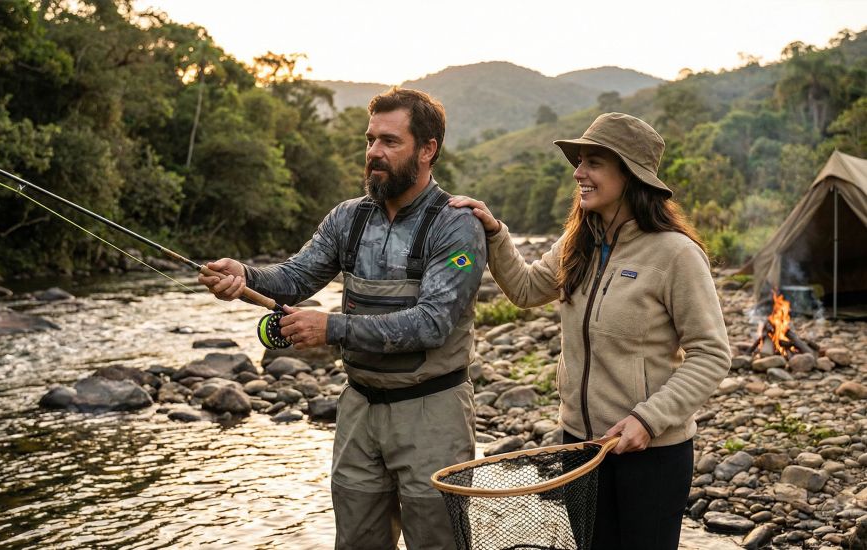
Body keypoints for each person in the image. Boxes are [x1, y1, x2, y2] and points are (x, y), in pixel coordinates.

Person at [199, 87, 485, 550]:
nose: (374, 152)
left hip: (433, 414)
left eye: (390, 142)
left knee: (439, 542)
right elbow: (293, 279)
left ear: (428, 149)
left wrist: (330, 328)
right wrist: (243, 275)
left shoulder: (457, 225)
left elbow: (432, 323)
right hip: (359, 413)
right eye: (370, 140)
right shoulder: (347, 217)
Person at [449, 112, 730, 550]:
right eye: (579, 161)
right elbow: (524, 289)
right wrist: (495, 233)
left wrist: (648, 420)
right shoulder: (577, 242)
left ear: (630, 175)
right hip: (581, 450)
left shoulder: (677, 254)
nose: (578, 173)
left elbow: (711, 354)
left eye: (593, 162)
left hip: (649, 454)